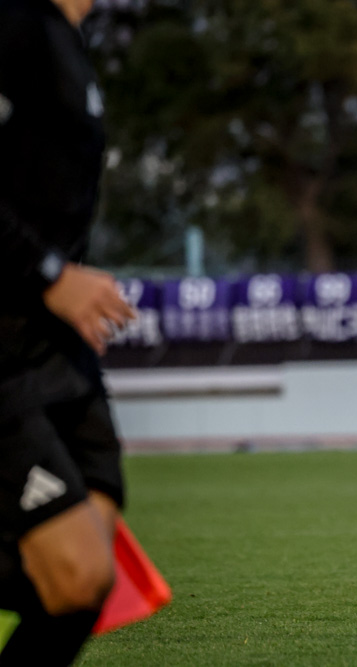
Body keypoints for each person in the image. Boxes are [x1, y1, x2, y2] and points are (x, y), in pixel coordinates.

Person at [0, 0, 136, 663]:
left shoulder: (65, 37)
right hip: (6, 344)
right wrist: (50, 272)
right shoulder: (12, 22)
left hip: (55, 344)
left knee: (92, 552)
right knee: (76, 571)